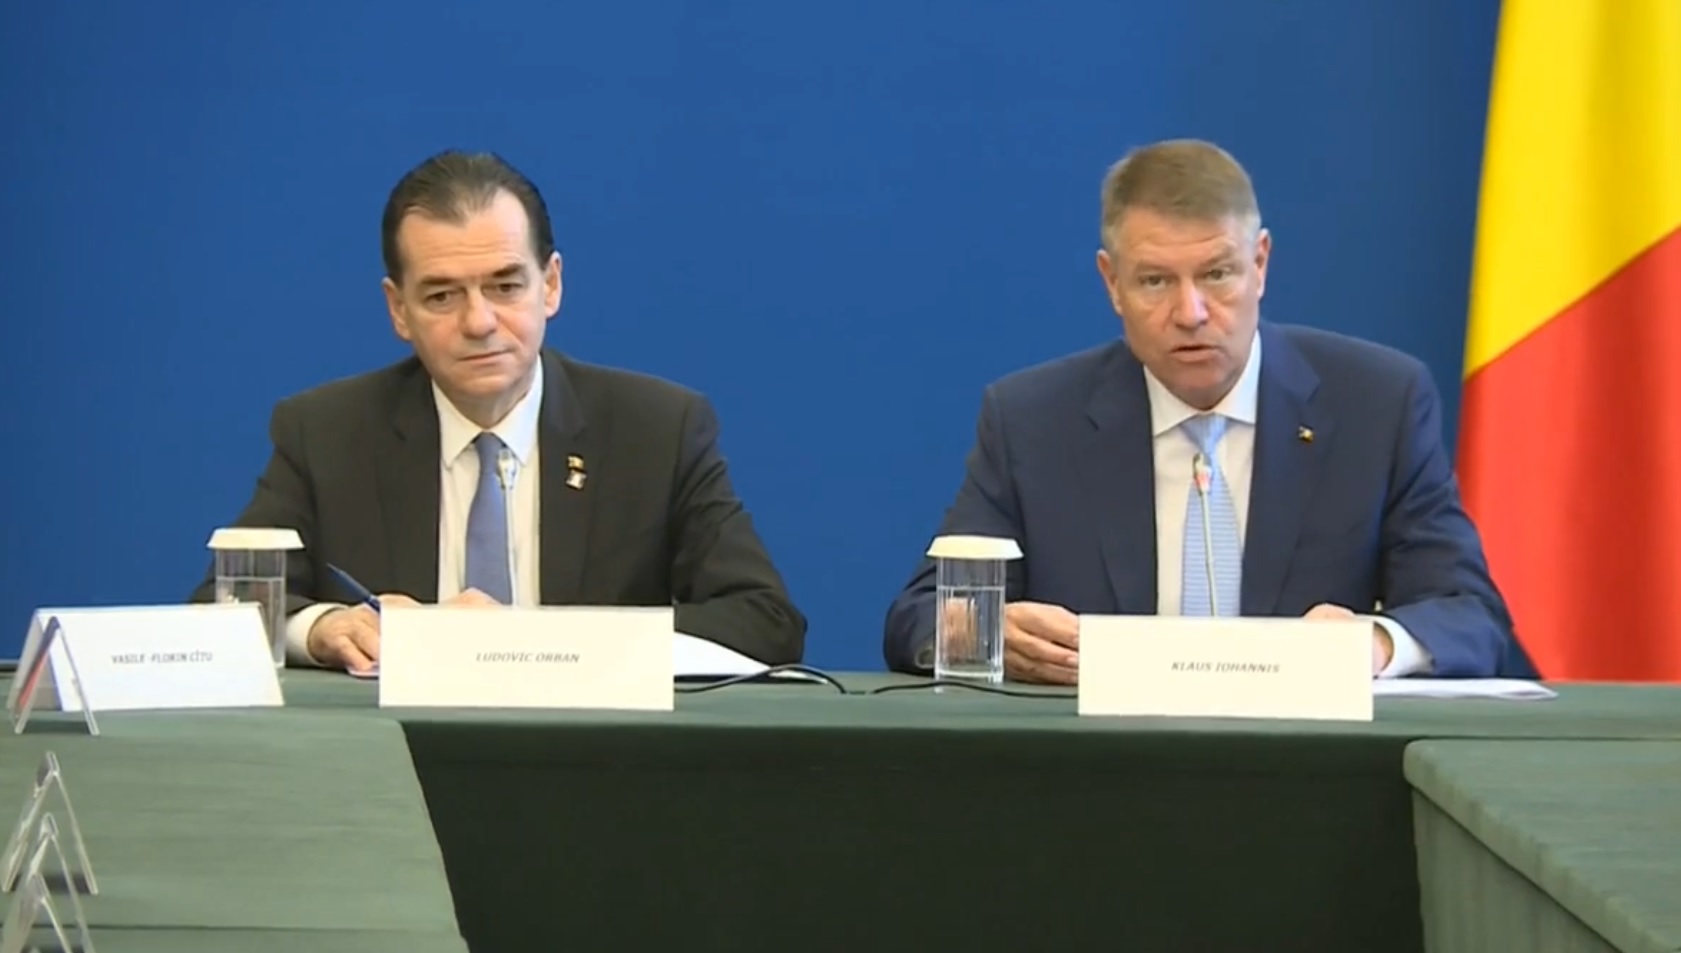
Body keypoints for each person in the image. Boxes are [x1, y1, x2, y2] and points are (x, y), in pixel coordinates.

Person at [882, 138, 1535, 683]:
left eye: (1217, 274)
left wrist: (1375, 643)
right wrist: (988, 631)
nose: (1190, 312)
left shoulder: (1377, 403)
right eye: (1155, 281)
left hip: (1308, 770)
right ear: (1112, 283)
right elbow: (917, 617)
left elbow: (1468, 615)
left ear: (1260, 264)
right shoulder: (1033, 419)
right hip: (1097, 773)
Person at [192, 150, 805, 672]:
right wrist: (322, 628)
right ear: (398, 310)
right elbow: (222, 613)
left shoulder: (656, 430)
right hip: (389, 751)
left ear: (551, 285)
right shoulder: (327, 432)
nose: (479, 321)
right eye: (442, 295)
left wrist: (535, 640)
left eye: (505, 286)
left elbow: (764, 621)